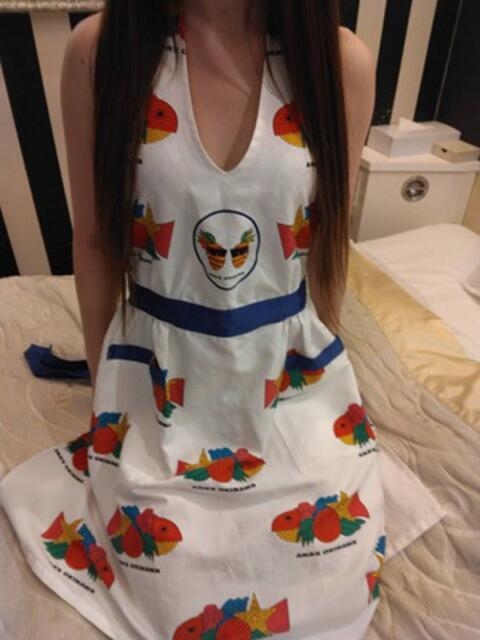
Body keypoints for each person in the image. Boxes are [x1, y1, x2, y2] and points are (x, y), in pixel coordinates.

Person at [0, 1, 384, 638]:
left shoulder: (338, 62)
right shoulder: (102, 51)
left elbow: (326, 245)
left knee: (326, 567)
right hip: (156, 386)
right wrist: (104, 395)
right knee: (171, 576)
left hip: (285, 380)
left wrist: (324, 380)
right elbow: (93, 242)